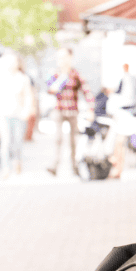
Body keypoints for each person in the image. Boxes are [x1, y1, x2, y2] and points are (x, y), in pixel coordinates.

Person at [0, 53, 37, 176]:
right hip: (3, 114)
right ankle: (5, 168)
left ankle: (17, 161)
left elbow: (29, 96)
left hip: (19, 115)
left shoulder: (23, 78)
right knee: (5, 142)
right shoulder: (1, 78)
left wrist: (27, 111)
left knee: (17, 142)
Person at [47, 47, 87, 177]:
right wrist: (56, 84)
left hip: (72, 111)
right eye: (59, 57)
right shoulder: (55, 73)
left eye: (64, 57)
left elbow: (86, 91)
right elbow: (49, 89)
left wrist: (91, 108)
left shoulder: (75, 74)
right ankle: (54, 165)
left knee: (73, 140)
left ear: (70, 58)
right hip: (59, 110)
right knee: (57, 138)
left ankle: (74, 165)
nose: (61, 60)